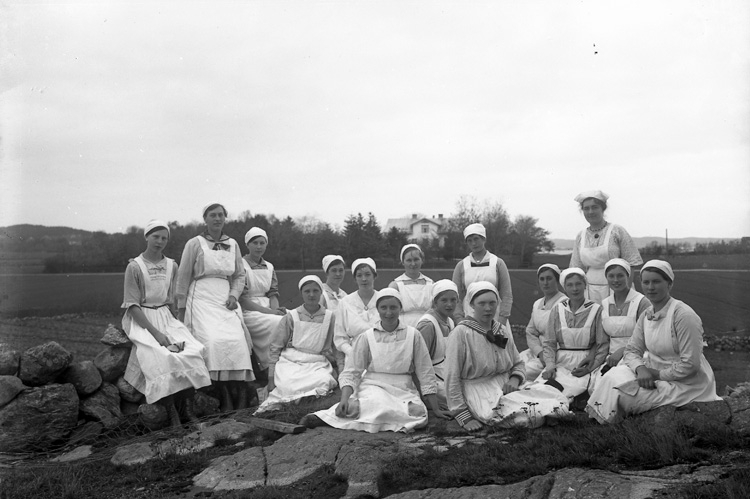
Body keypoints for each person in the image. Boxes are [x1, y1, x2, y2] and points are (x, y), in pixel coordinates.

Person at [586, 260, 721, 424]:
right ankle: (599, 421)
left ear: (669, 284)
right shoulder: (647, 315)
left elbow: (691, 364)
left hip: (685, 382)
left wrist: (657, 375)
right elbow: (631, 350)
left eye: (656, 282)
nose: (650, 287)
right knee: (612, 376)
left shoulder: (683, 315)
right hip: (652, 370)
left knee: (623, 395)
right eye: (646, 282)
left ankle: (608, 425)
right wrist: (641, 369)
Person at [304, 288, 449, 432]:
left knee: (418, 414)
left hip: (404, 388)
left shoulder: (414, 335)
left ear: (400, 309)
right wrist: (344, 399)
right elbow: (352, 371)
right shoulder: (366, 337)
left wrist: (435, 409)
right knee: (374, 404)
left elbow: (425, 372)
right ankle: (321, 418)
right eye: (383, 308)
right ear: (377, 309)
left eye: (393, 307)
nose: (388, 313)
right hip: (373, 386)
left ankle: (368, 419)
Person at [122, 220, 212, 426]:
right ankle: (172, 414)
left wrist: (176, 325)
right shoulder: (135, 266)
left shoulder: (172, 265)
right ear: (147, 237)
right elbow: (132, 306)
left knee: (191, 351)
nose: (160, 241)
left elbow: (171, 300)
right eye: (156, 236)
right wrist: (157, 334)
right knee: (161, 357)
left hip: (165, 316)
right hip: (142, 318)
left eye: (164, 238)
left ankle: (187, 410)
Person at [176, 203, 254, 412]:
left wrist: (234, 295)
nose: (217, 219)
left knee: (237, 341)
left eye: (221, 215)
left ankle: (240, 394)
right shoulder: (194, 243)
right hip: (201, 298)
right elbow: (183, 277)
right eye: (213, 215)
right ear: (205, 218)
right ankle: (223, 394)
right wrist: (181, 309)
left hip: (225, 299)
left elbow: (239, 275)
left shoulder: (233, 244)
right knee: (212, 341)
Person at [443, 282, 526, 431]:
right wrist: (463, 416)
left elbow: (518, 363)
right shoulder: (461, 333)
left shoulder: (501, 330)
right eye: (481, 303)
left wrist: (515, 379)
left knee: (546, 402)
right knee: (523, 418)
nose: (488, 308)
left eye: (492, 303)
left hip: (505, 385)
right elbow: (451, 376)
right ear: (472, 305)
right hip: (479, 392)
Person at [255, 276, 337, 413]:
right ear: (301, 293)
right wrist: (271, 379)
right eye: (307, 291)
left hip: (317, 362)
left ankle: (305, 407)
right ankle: (294, 405)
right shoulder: (291, 316)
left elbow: (336, 347)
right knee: (288, 383)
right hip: (291, 361)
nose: (311, 295)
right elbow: (275, 348)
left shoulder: (330, 317)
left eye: (315, 291)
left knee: (322, 381)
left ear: (321, 292)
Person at [540, 268, 608, 401]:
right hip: (561, 362)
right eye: (570, 285)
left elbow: (602, 344)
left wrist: (590, 368)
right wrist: (550, 365)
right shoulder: (558, 310)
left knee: (569, 392)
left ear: (585, 285)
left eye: (578, 284)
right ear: (564, 288)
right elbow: (549, 342)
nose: (575, 289)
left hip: (584, 363)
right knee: (542, 389)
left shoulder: (596, 310)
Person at [569, 190, 643, 303]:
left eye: (594, 207)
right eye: (586, 208)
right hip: (589, 291)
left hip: (617, 287)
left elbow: (631, 263)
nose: (590, 212)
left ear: (603, 209)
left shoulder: (617, 231)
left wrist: (624, 293)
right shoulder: (581, 236)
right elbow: (576, 268)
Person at [588, 258, 649, 392]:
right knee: (598, 388)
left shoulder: (642, 302)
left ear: (628, 276)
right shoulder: (604, 304)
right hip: (611, 358)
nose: (616, 280)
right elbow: (602, 340)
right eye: (611, 276)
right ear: (606, 278)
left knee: (619, 386)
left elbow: (649, 336)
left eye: (620, 275)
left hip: (638, 356)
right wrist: (595, 360)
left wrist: (622, 351)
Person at [239, 227, 285, 386]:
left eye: (262, 243)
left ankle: (288, 362)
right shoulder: (241, 265)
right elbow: (243, 300)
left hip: (268, 307)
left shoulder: (270, 267)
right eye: (255, 243)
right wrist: (271, 313)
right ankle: (269, 367)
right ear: (247, 244)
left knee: (292, 318)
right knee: (276, 323)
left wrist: (276, 310)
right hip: (249, 310)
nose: (259, 246)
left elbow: (273, 294)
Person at [451, 223, 513, 332]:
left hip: (495, 317)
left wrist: (501, 322)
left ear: (484, 239)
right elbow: (456, 296)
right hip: (470, 317)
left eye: (476, 239)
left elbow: (506, 295)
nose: (473, 243)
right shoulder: (461, 265)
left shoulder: (498, 263)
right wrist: (459, 320)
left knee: (496, 343)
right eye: (469, 240)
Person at [518, 264, 567, 381]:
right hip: (537, 352)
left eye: (549, 278)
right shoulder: (537, 304)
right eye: (542, 279)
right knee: (513, 367)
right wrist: (539, 352)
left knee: (523, 373)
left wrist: (546, 357)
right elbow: (530, 331)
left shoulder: (564, 303)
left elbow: (562, 336)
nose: (545, 283)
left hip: (554, 354)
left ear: (557, 281)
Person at [415, 279, 458, 408]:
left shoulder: (449, 321)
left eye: (453, 300)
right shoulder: (427, 325)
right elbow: (418, 365)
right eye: (444, 300)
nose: (449, 304)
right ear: (435, 302)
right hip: (432, 382)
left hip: (446, 376)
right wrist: (427, 398)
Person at [333, 257, 380, 371]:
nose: (364, 279)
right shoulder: (345, 302)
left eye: (367, 274)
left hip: (381, 354)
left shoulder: (383, 299)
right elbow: (340, 337)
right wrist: (353, 353)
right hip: (354, 356)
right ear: (355, 278)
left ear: (374, 276)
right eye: (359, 275)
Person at [388, 244, 434, 327]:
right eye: (409, 260)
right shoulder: (395, 286)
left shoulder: (431, 284)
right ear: (403, 262)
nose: (413, 264)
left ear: (422, 260)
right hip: (403, 328)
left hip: (428, 327)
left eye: (416, 259)